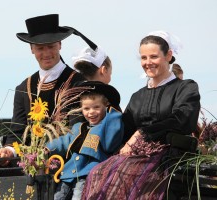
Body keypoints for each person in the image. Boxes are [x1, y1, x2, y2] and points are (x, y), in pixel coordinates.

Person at [81, 31, 201, 200]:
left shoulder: (185, 87)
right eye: (143, 58)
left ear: (168, 55)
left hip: (170, 154)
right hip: (135, 155)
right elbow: (125, 128)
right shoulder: (138, 96)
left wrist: (143, 133)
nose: (147, 62)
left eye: (153, 56)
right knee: (97, 173)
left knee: (128, 174)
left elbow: (182, 119)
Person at [0, 14, 90, 178]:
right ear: (31, 49)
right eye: (40, 48)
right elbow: (17, 132)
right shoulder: (23, 87)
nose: (46, 53)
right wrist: (8, 151)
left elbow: (76, 130)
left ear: (59, 45)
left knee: (41, 166)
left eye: (50, 46)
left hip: (63, 157)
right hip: (27, 158)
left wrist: (44, 152)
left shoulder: (78, 82)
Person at [46, 81, 124, 200]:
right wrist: (47, 148)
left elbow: (110, 144)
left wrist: (113, 112)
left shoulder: (106, 127)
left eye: (96, 107)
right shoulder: (78, 127)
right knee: (57, 197)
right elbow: (64, 141)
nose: (91, 112)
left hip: (87, 175)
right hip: (68, 174)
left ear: (106, 106)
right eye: (86, 108)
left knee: (78, 197)